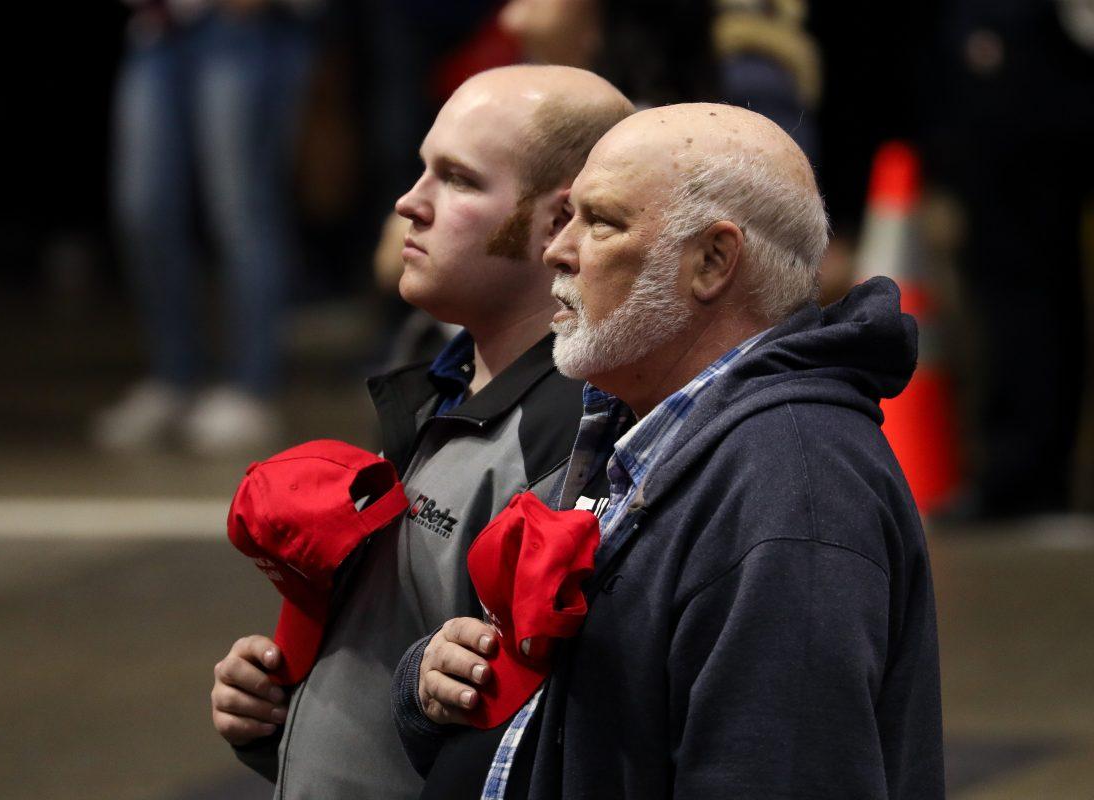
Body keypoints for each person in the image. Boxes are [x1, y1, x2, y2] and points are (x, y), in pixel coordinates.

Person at [394, 103, 944, 798]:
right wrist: (433, 693)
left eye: (601, 222)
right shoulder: (640, 430)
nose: (557, 251)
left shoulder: (794, 490)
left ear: (713, 260)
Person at [209, 65, 634, 799]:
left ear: (560, 223)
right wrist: (282, 716)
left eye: (459, 180)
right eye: (420, 170)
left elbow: (535, 745)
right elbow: (405, 648)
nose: (410, 202)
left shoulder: (572, 438)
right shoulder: (439, 378)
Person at [92, 0, 320, 455]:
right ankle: (175, 376)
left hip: (243, 27)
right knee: (144, 209)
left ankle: (252, 387)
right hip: (158, 28)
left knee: (241, 211)